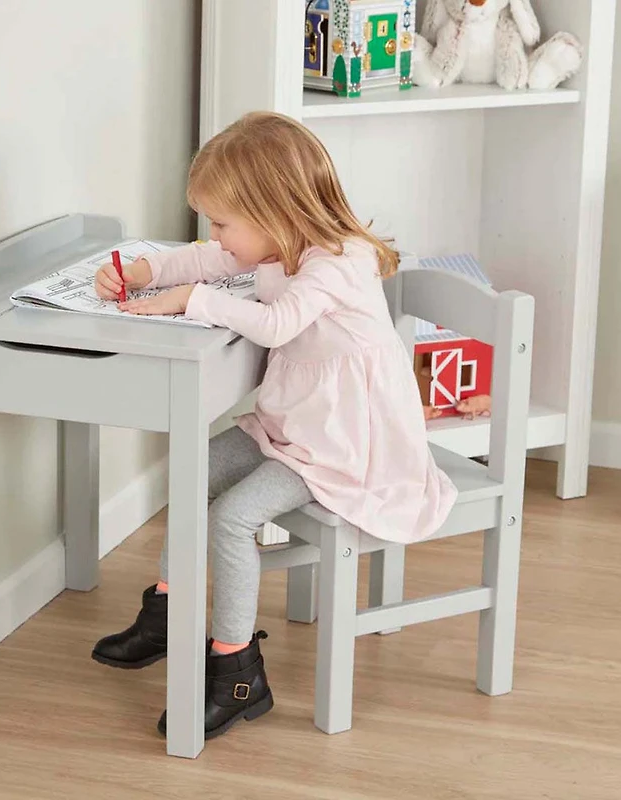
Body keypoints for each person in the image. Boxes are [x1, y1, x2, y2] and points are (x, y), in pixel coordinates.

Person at [91, 111, 457, 741]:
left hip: (343, 444)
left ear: (275, 211)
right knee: (194, 472)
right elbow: (209, 259)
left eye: (224, 221)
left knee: (233, 516)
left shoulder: (339, 262)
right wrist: (149, 273)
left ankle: (238, 673)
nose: (216, 234)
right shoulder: (277, 246)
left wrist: (190, 300)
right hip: (292, 424)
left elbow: (279, 324)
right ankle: (166, 615)